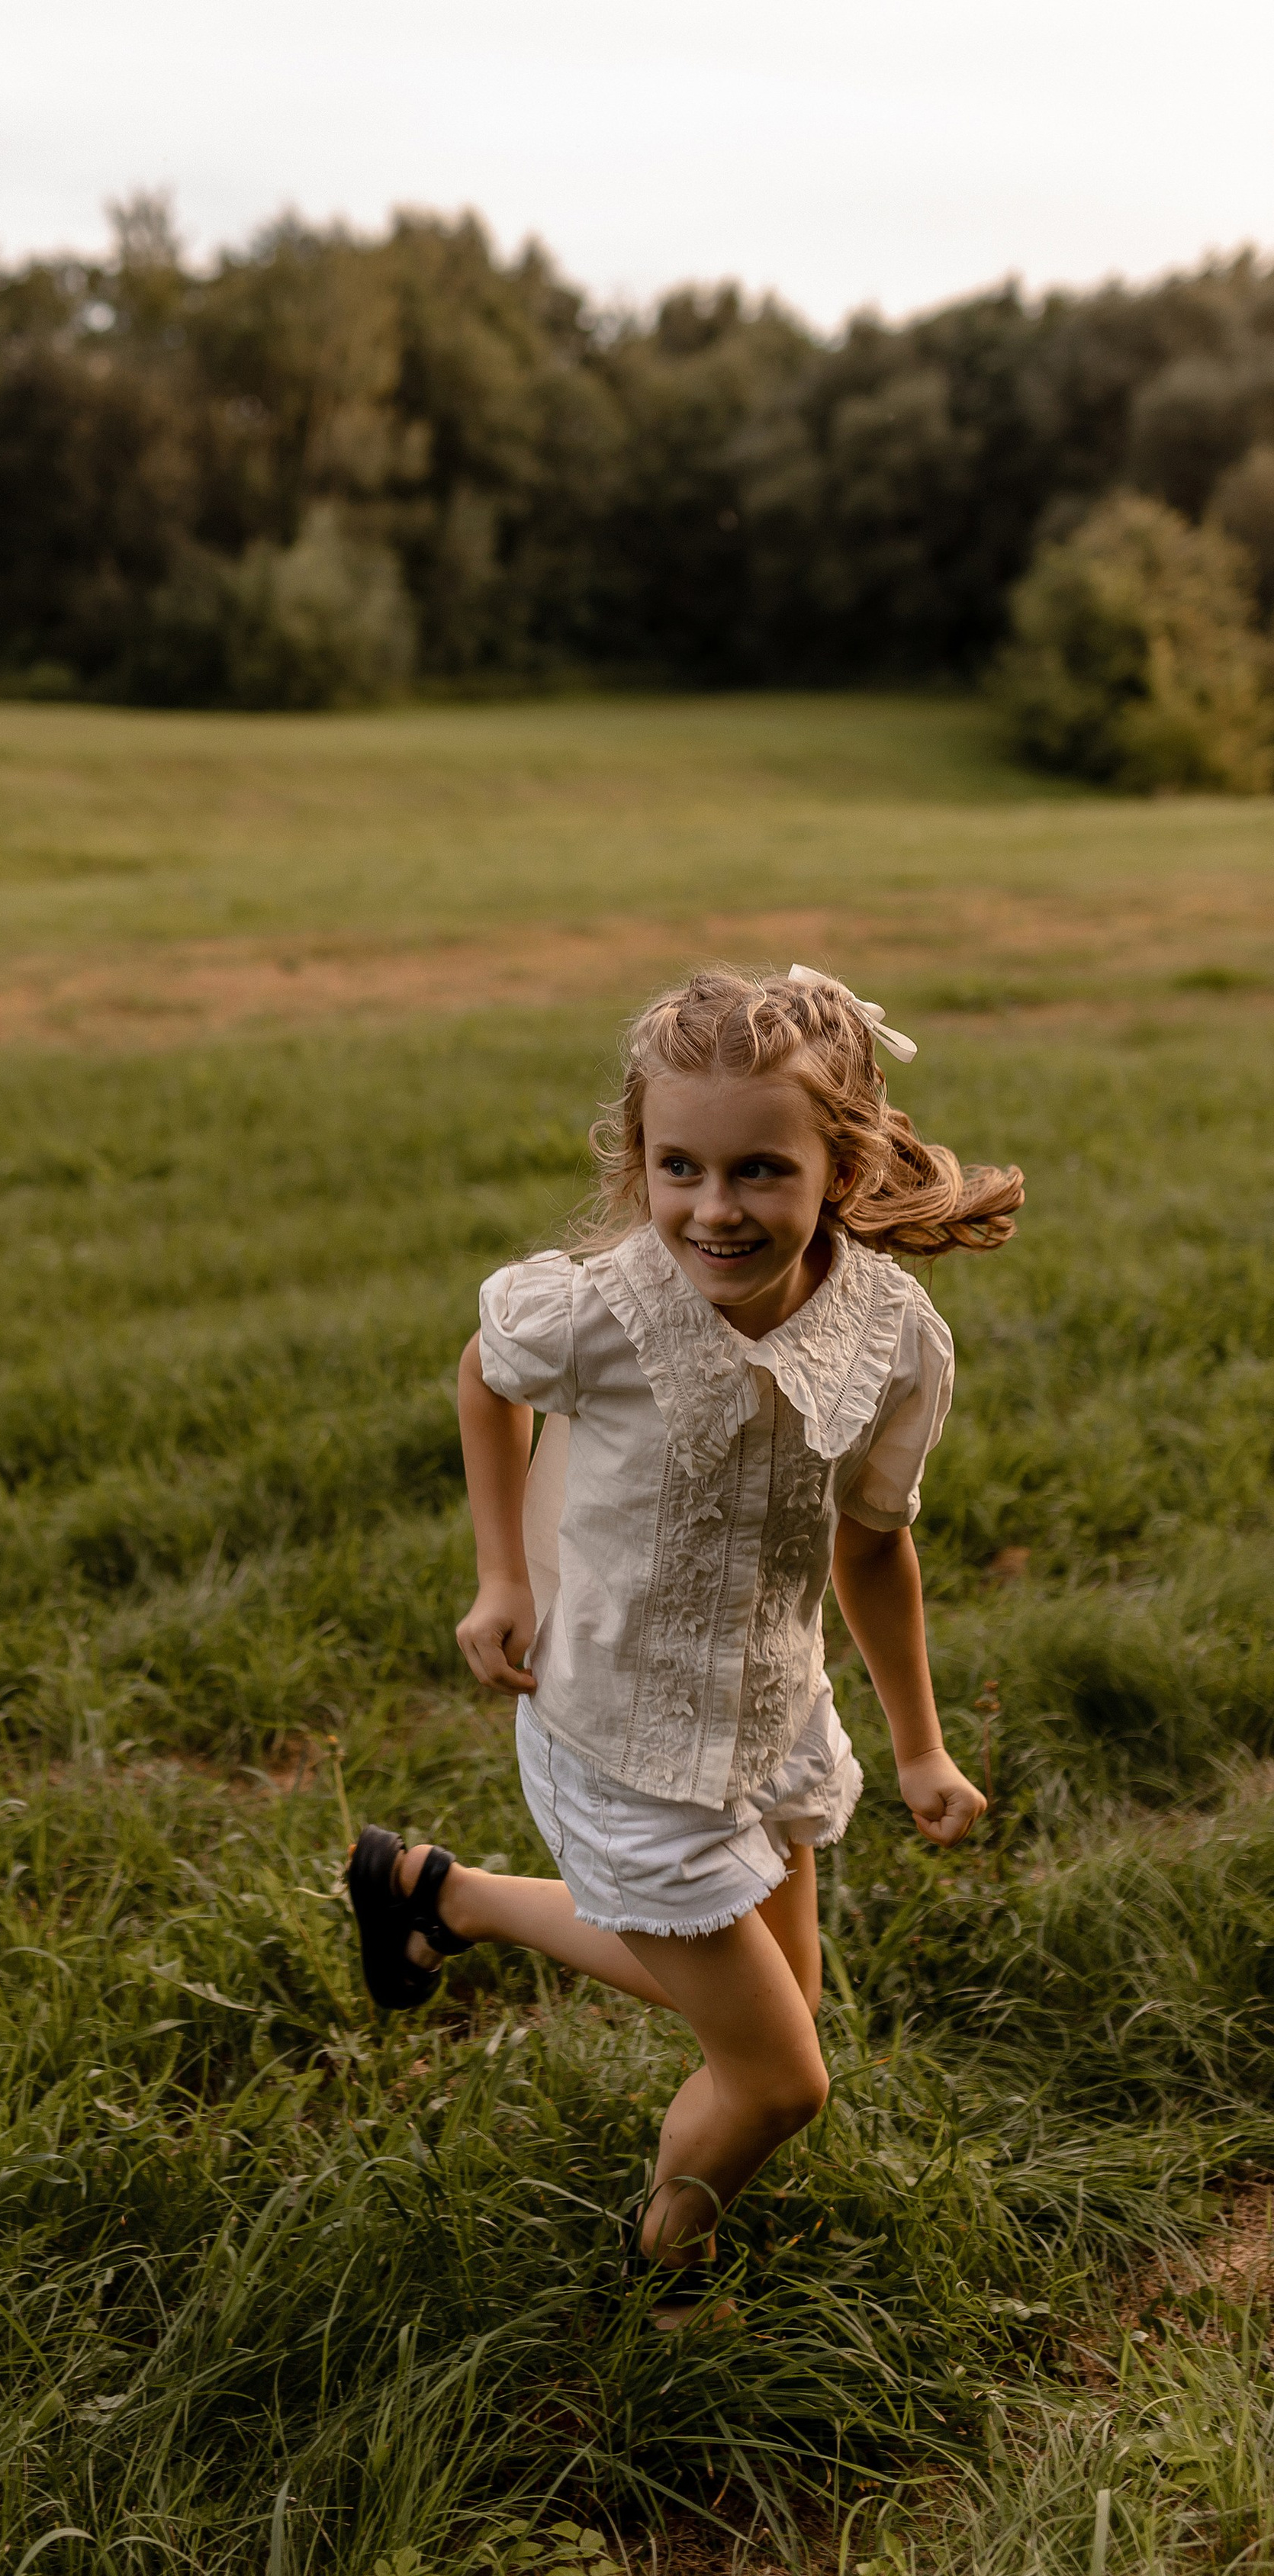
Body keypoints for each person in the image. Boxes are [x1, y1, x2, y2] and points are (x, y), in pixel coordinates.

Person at [346, 964, 1023, 2328]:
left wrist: (921, 1745)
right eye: (680, 1166)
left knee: (778, 2022)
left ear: (840, 1166)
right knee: (780, 2080)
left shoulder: (892, 1337)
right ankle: (665, 2272)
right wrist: (498, 1577)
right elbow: (486, 1378)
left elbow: (873, 1543)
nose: (714, 1209)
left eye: (760, 1169)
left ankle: (437, 1892)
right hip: (623, 1726)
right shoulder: (600, 1309)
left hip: (769, 1718)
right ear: (640, 1160)